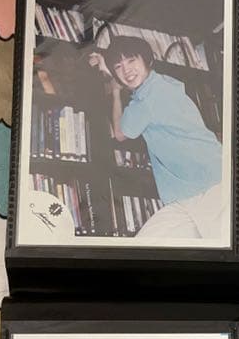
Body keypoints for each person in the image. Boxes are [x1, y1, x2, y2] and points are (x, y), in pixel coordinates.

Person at [88, 35, 224, 239]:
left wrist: (115, 92)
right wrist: (109, 70)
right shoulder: (164, 82)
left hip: (209, 186)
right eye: (118, 66)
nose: (126, 70)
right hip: (187, 192)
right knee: (147, 243)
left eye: (131, 60)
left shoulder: (145, 100)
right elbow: (135, 86)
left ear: (146, 59)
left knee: (219, 245)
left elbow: (120, 133)